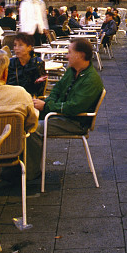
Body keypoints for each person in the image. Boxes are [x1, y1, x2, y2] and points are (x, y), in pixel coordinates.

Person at [28, 38, 104, 179]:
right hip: (61, 116)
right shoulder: (73, 71)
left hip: (74, 122)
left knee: (32, 129)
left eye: (69, 52)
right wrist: (48, 104)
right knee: (24, 120)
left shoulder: (91, 80)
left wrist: (47, 106)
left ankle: (31, 172)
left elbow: (74, 107)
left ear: (80, 55)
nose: (67, 55)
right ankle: (20, 166)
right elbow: (57, 89)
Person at [7, 32, 47, 97]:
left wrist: (37, 83)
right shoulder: (10, 63)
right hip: (11, 97)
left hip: (29, 98)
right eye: (15, 45)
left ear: (29, 47)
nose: (16, 48)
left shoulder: (37, 63)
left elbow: (40, 91)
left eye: (20, 45)